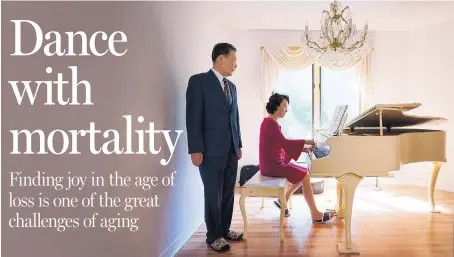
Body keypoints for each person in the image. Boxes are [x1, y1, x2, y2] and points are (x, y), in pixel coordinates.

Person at [186, 43, 243, 253]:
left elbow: (234, 118)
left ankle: (225, 230)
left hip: (230, 149)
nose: (236, 64)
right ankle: (213, 236)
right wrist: (195, 149)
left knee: (228, 192)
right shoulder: (199, 82)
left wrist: (239, 144)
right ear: (221, 59)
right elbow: (193, 117)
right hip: (209, 150)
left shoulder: (232, 87)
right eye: (234, 59)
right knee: (213, 193)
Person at [259, 93, 334, 223]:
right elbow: (284, 143)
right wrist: (307, 141)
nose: (286, 110)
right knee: (304, 175)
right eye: (284, 106)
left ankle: (283, 200)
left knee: (299, 174)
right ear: (276, 106)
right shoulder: (270, 124)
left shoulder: (270, 121)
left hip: (271, 161)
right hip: (272, 165)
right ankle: (315, 214)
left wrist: (303, 147)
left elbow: (279, 143)